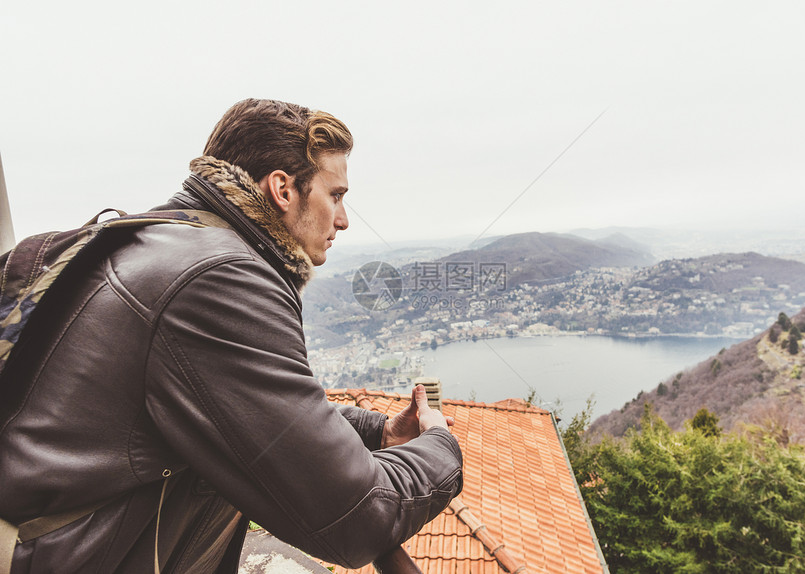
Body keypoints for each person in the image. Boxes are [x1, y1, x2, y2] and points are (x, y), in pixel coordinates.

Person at [0, 99, 463, 573]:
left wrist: (378, 431)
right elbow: (358, 517)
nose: (343, 220)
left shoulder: (158, 237)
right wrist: (441, 444)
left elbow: (260, 411)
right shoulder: (221, 278)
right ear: (283, 189)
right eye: (336, 195)